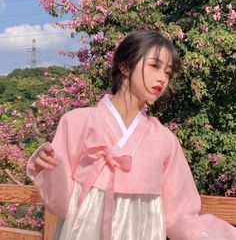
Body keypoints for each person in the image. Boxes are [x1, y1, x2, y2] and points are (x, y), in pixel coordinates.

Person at [27, 30, 236, 240]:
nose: (162, 78)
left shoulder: (165, 141)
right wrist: (51, 167)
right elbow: (63, 205)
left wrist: (226, 235)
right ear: (125, 65)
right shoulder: (76, 122)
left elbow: (180, 217)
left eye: (168, 72)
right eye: (155, 66)